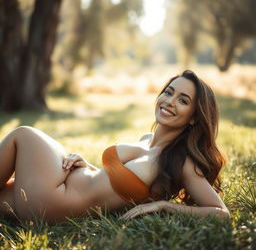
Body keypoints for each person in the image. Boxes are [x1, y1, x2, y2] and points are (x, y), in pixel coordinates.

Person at [0, 70, 230, 224]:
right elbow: (111, 186)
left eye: (183, 100)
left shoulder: (181, 161)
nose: (170, 101)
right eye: (169, 92)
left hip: (57, 202)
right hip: (61, 188)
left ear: (193, 118)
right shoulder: (145, 138)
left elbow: (221, 214)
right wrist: (87, 167)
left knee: (24, 134)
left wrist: (164, 206)